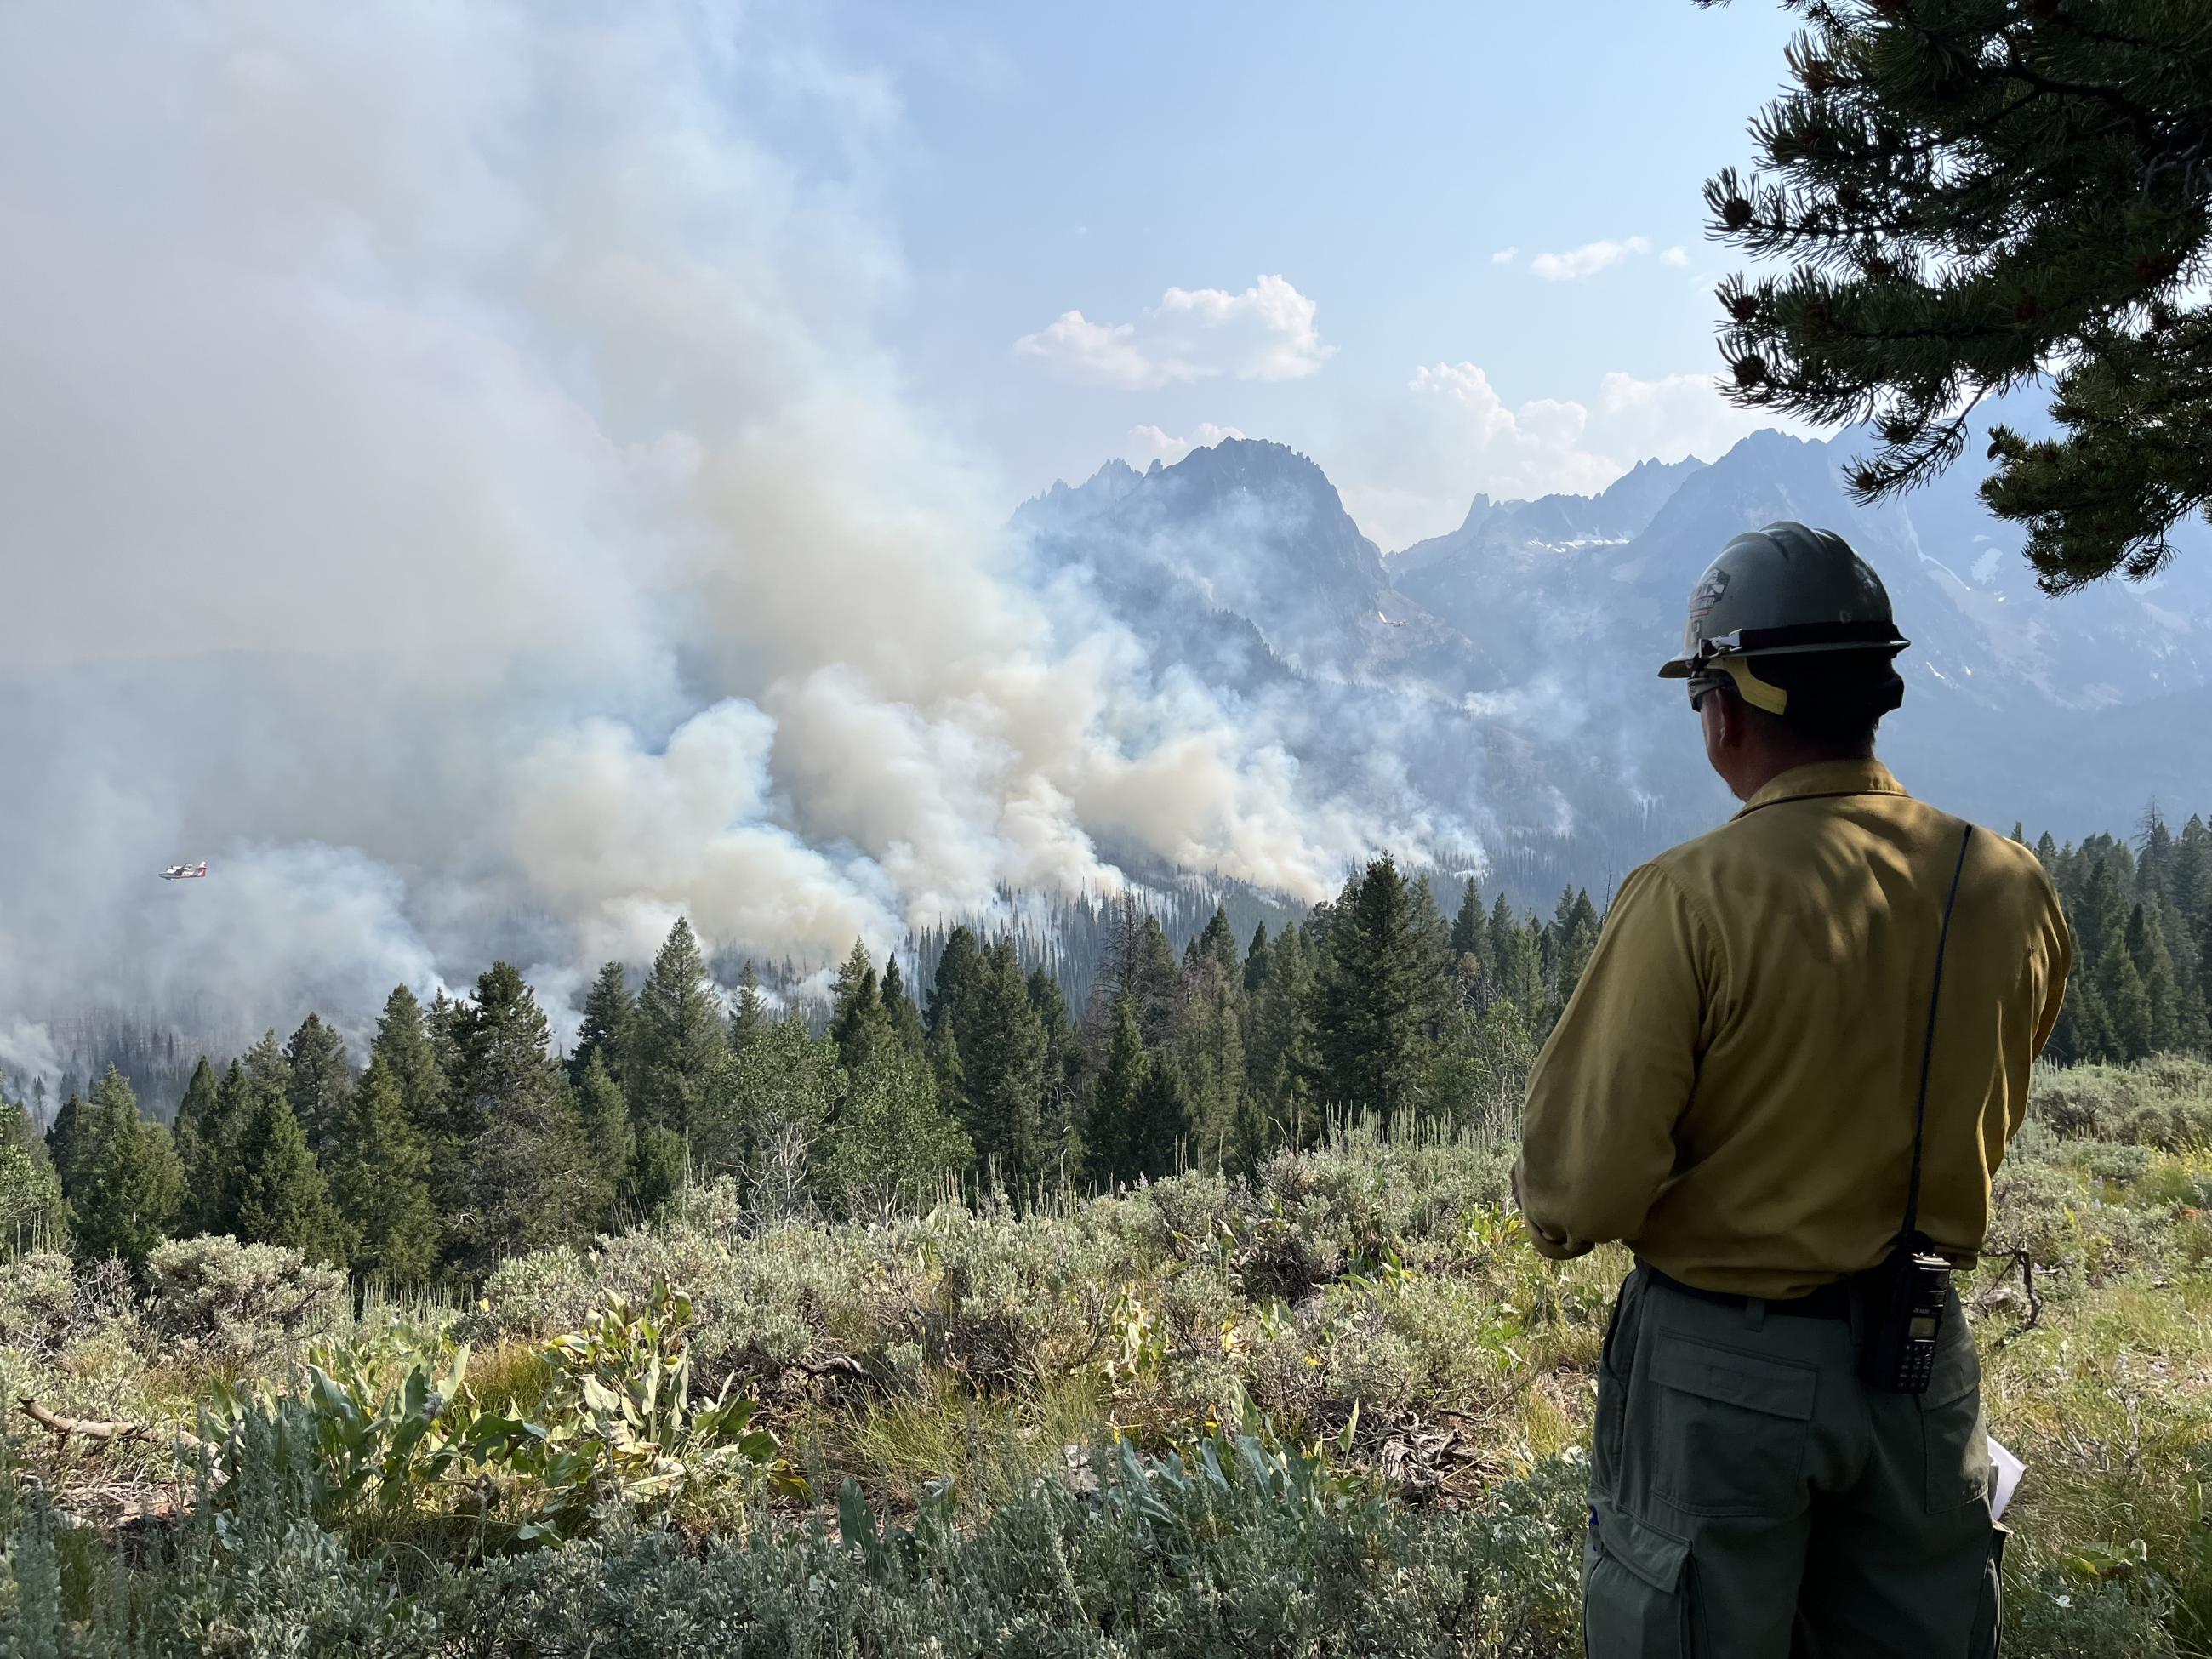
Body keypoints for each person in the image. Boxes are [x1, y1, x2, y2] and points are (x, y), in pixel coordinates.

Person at [1514, 522, 2072, 1656]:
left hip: (1721, 1370)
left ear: (1726, 704)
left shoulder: (1688, 899)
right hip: (1920, 1365)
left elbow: (1580, 1190)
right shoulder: (2010, 887)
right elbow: (1993, 1101)